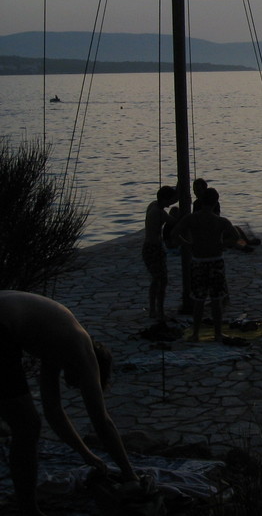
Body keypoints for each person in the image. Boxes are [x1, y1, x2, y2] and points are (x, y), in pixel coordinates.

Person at [0, 291, 140, 515]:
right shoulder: (81, 347)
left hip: (6, 319)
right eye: (78, 382)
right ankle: (28, 510)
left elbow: (53, 411)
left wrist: (86, 454)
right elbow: (102, 421)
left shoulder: (56, 342)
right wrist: (129, 473)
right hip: (3, 325)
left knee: (25, 423)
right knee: (26, 426)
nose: (73, 385)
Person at [169, 188, 242, 342]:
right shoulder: (221, 221)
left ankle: (195, 333)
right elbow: (237, 239)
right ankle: (217, 333)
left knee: (199, 300)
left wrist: (188, 245)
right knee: (216, 300)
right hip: (215, 261)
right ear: (216, 202)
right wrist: (223, 244)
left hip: (198, 261)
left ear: (201, 201)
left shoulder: (191, 219)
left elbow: (174, 234)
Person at [142, 185, 179, 322]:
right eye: (169, 201)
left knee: (155, 280)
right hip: (154, 249)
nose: (170, 204)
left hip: (147, 248)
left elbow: (174, 197)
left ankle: (153, 310)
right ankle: (161, 312)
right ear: (164, 199)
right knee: (162, 281)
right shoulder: (160, 213)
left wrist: (178, 186)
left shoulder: (152, 205)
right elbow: (176, 222)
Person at [192, 178, 259, 252]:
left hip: (214, 228)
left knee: (236, 229)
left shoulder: (212, 202)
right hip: (208, 232)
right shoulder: (197, 203)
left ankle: (246, 242)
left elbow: (216, 217)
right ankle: (243, 245)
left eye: (198, 190)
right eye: (194, 190)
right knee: (234, 236)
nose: (195, 193)